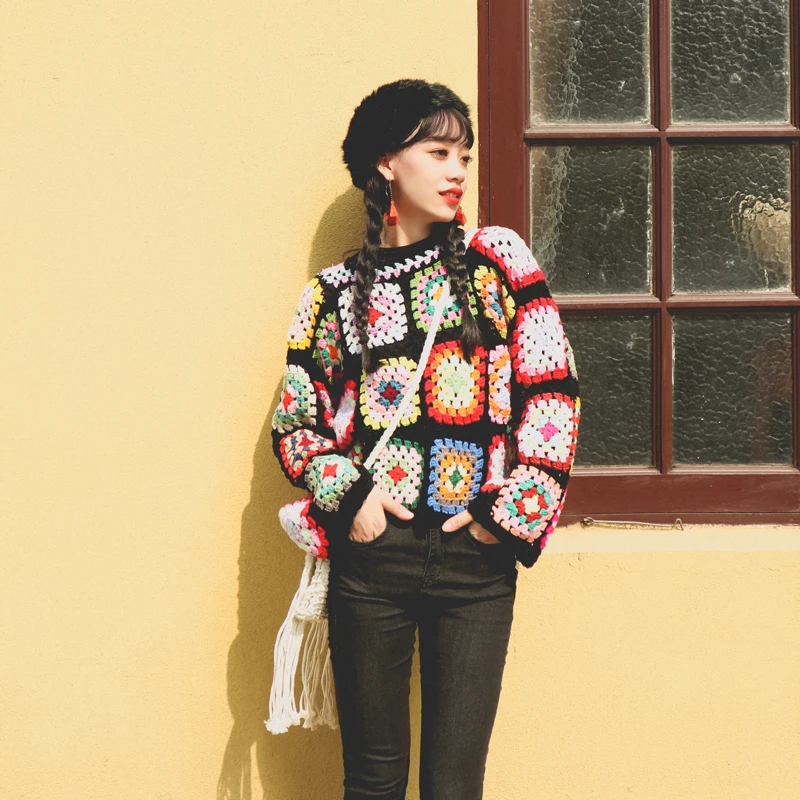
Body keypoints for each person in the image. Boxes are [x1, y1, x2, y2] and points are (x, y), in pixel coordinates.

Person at [271, 78, 580, 800]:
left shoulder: (498, 261)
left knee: (453, 785)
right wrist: (353, 500)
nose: (457, 172)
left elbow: (554, 394)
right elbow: (296, 424)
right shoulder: (332, 294)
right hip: (372, 561)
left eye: (463, 156)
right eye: (438, 152)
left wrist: (507, 516)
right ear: (387, 163)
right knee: (373, 780)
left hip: (478, 561)